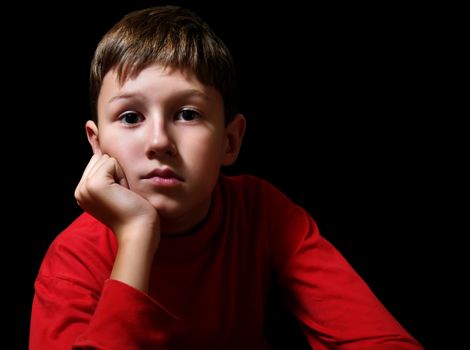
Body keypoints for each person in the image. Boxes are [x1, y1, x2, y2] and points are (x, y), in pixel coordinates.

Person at [30, 5, 423, 350]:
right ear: (97, 146)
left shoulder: (261, 213)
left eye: (187, 114)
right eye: (131, 117)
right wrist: (136, 234)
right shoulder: (72, 259)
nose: (159, 141)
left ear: (230, 141)